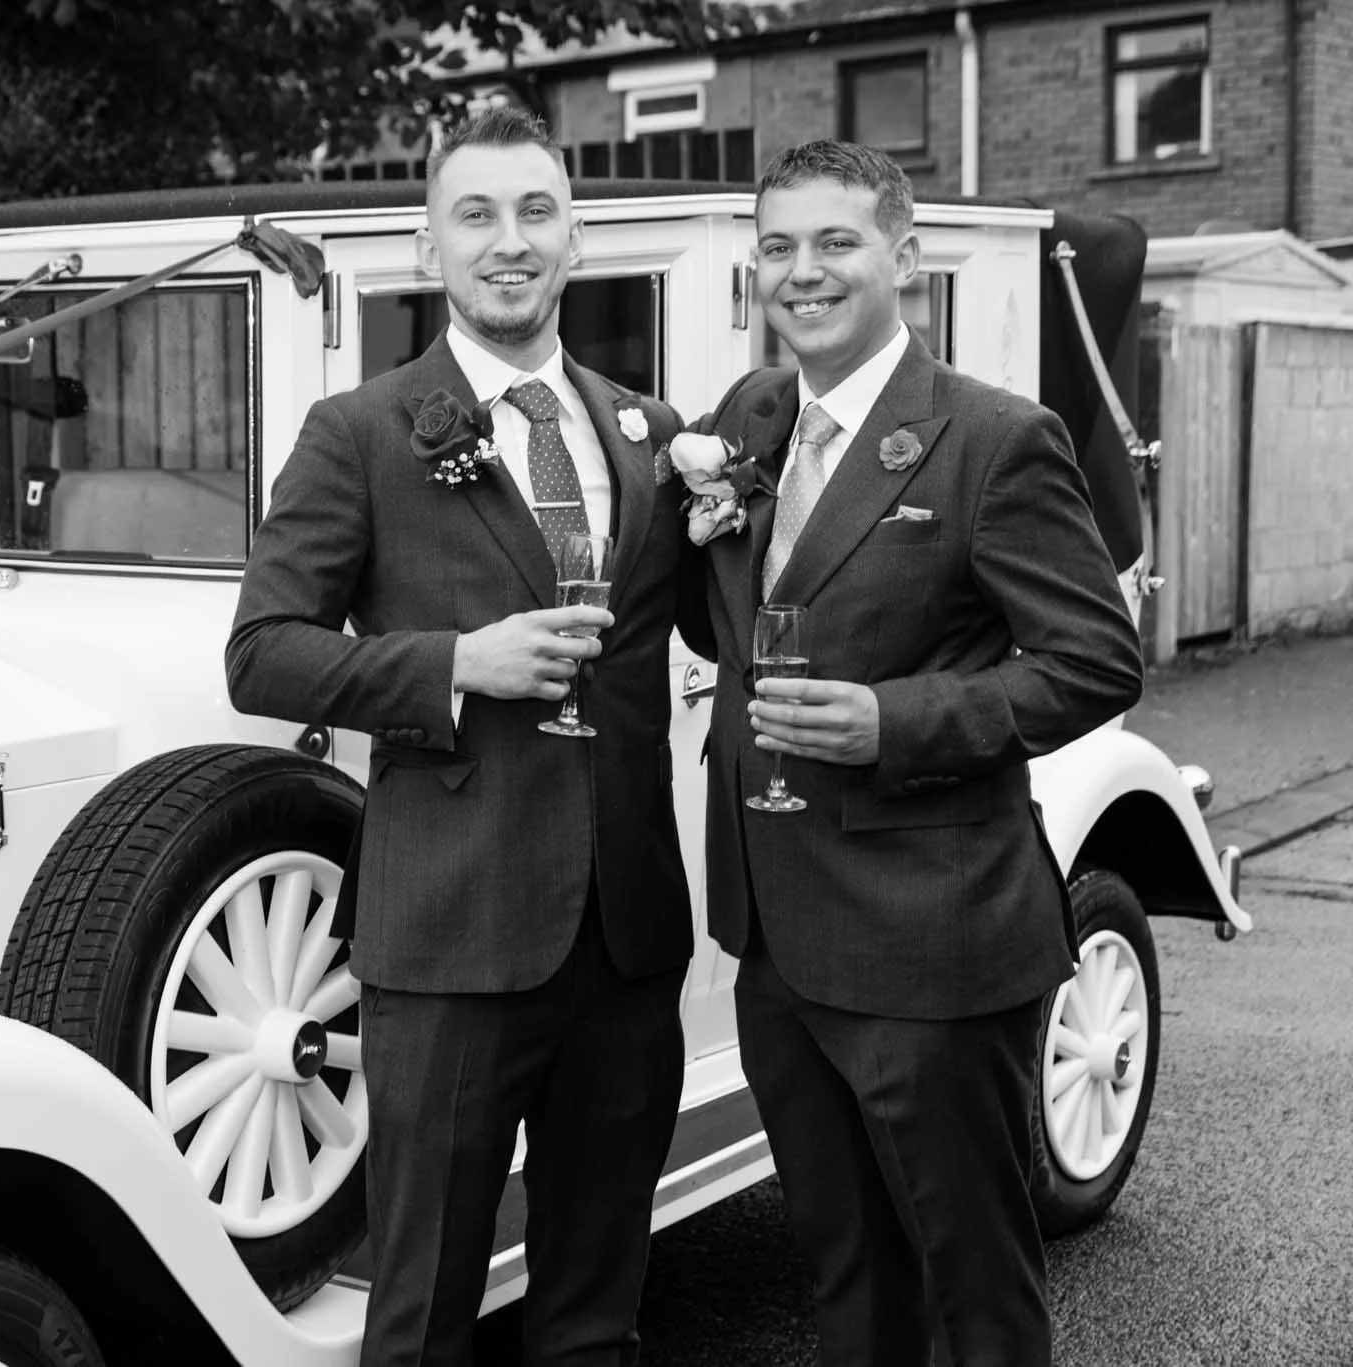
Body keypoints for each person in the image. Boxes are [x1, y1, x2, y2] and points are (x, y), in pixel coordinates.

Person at [226, 106, 703, 1367]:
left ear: (575, 238)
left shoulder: (643, 429)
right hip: (448, 940)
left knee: (596, 1309)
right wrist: (455, 665)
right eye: (476, 216)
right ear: (429, 246)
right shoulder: (361, 431)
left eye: (534, 212)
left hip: (627, 935)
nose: (509, 242)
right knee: (424, 1310)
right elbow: (260, 653)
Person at [688, 139, 1144, 1367]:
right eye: (777, 246)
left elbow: (1096, 660)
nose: (802, 272)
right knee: (844, 1284)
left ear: (903, 257)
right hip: (775, 944)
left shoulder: (994, 438)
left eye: (834, 242)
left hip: (930, 946)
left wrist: (892, 722)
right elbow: (721, 616)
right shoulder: (744, 419)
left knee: (973, 1294)